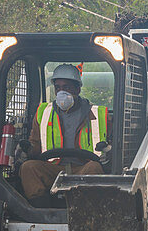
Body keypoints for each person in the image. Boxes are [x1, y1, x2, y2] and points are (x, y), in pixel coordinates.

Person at [18, 64, 109, 206]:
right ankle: (42, 211)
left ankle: (87, 209)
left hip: (82, 169)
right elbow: (35, 145)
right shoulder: (43, 113)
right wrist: (27, 149)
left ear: (77, 89)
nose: (61, 92)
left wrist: (106, 151)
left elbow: (112, 147)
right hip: (53, 168)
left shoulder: (99, 114)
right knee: (28, 167)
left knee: (94, 168)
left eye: (66, 87)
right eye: (58, 87)